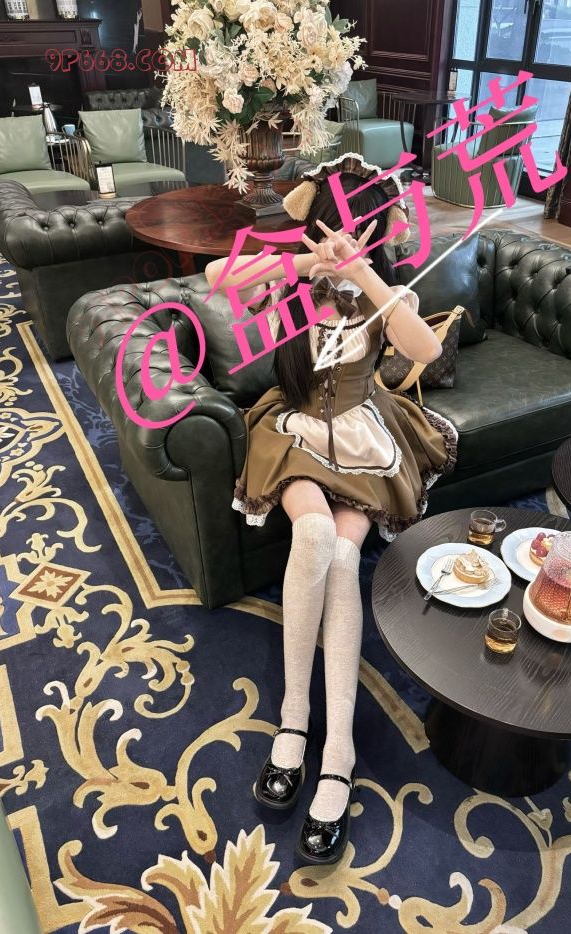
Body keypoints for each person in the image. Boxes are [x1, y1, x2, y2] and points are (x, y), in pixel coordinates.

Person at [205, 153, 458, 865]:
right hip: (292, 432)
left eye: (362, 227)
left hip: (362, 436)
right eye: (337, 227)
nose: (347, 237)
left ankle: (335, 747)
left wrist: (363, 273)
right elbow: (217, 277)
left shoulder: (383, 289)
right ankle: (295, 720)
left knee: (343, 556)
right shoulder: (290, 279)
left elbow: (424, 344)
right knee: (314, 534)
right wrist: (303, 264)